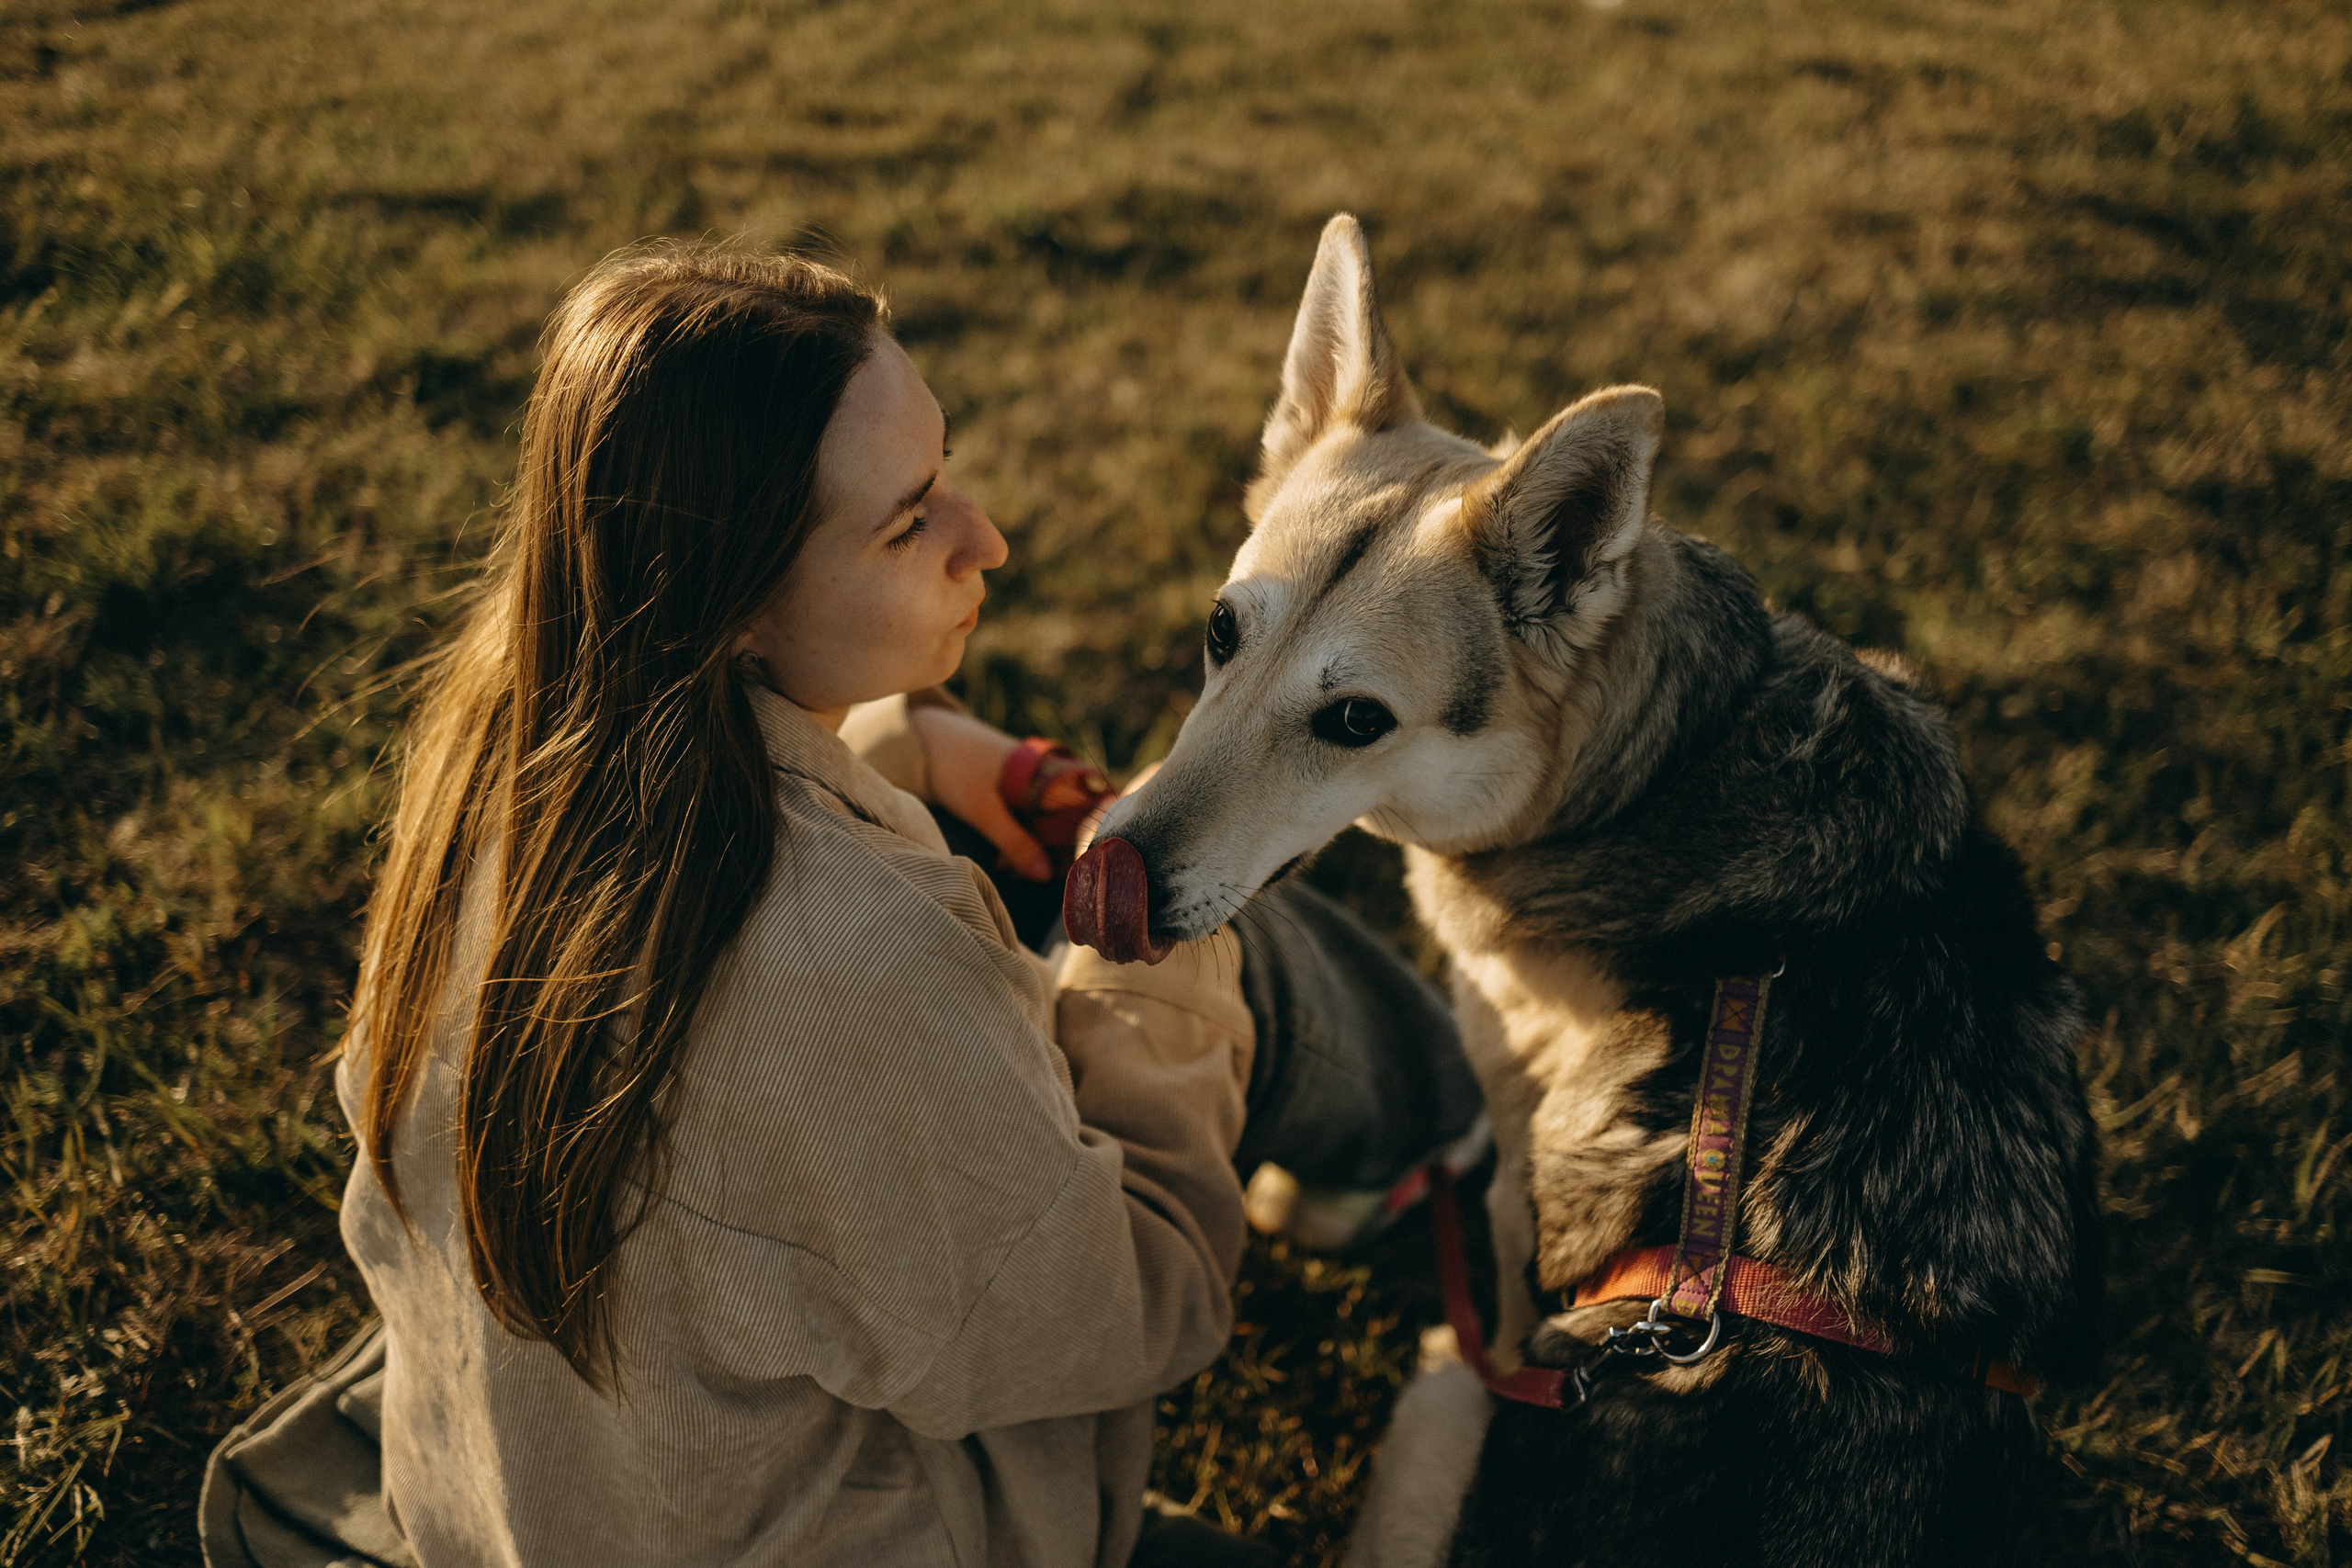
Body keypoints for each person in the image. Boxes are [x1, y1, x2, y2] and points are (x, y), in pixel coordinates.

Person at [199, 244, 1479, 1568]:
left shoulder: (496, 767)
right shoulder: (856, 969)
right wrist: (1152, 967)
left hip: (529, 1503)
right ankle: (1460, 1153)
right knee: (1222, 948)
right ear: (735, 601)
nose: (986, 536)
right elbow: (1128, 1309)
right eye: (909, 517)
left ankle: (1430, 1138)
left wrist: (912, 752)